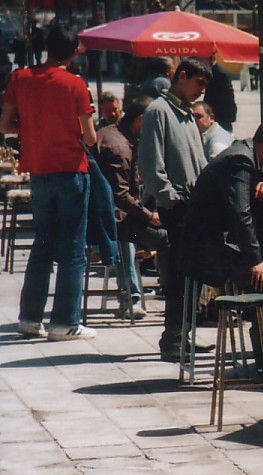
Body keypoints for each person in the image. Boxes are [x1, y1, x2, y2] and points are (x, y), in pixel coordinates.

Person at [1, 21, 97, 341]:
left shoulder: (20, 78)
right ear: (73, 52)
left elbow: (6, 125)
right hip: (71, 169)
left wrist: (31, 125)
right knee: (72, 247)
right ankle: (65, 321)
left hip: (39, 170)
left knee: (42, 243)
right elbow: (90, 136)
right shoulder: (75, 84)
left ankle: (30, 317)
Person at [180, 118, 263, 365]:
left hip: (223, 242)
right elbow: (240, 214)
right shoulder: (241, 160)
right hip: (206, 249)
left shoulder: (255, 160)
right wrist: (256, 261)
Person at [138, 56, 212, 361]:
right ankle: (172, 341)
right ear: (181, 76)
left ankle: (182, 336)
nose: (201, 92)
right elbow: (150, 166)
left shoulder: (185, 113)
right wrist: (171, 200)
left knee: (192, 276)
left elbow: (200, 163)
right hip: (177, 207)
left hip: (194, 207)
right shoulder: (159, 111)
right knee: (180, 277)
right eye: (199, 84)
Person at [94, 96, 162, 320]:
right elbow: (121, 195)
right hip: (107, 219)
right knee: (162, 238)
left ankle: (131, 296)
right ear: (141, 120)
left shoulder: (115, 135)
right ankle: (132, 297)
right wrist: (149, 215)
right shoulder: (118, 146)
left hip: (106, 213)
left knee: (132, 230)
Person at [203, 55, 237, 132]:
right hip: (218, 113)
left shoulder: (219, 73)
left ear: (211, 59)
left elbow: (226, 97)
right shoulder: (213, 71)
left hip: (221, 114)